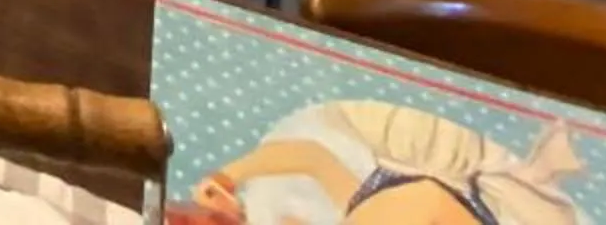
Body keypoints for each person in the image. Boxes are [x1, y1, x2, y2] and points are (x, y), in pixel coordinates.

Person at [184, 102, 584, 225]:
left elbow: (310, 157)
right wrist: (228, 177)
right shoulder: (358, 202)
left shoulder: (362, 200)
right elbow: (310, 157)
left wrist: (228, 176)